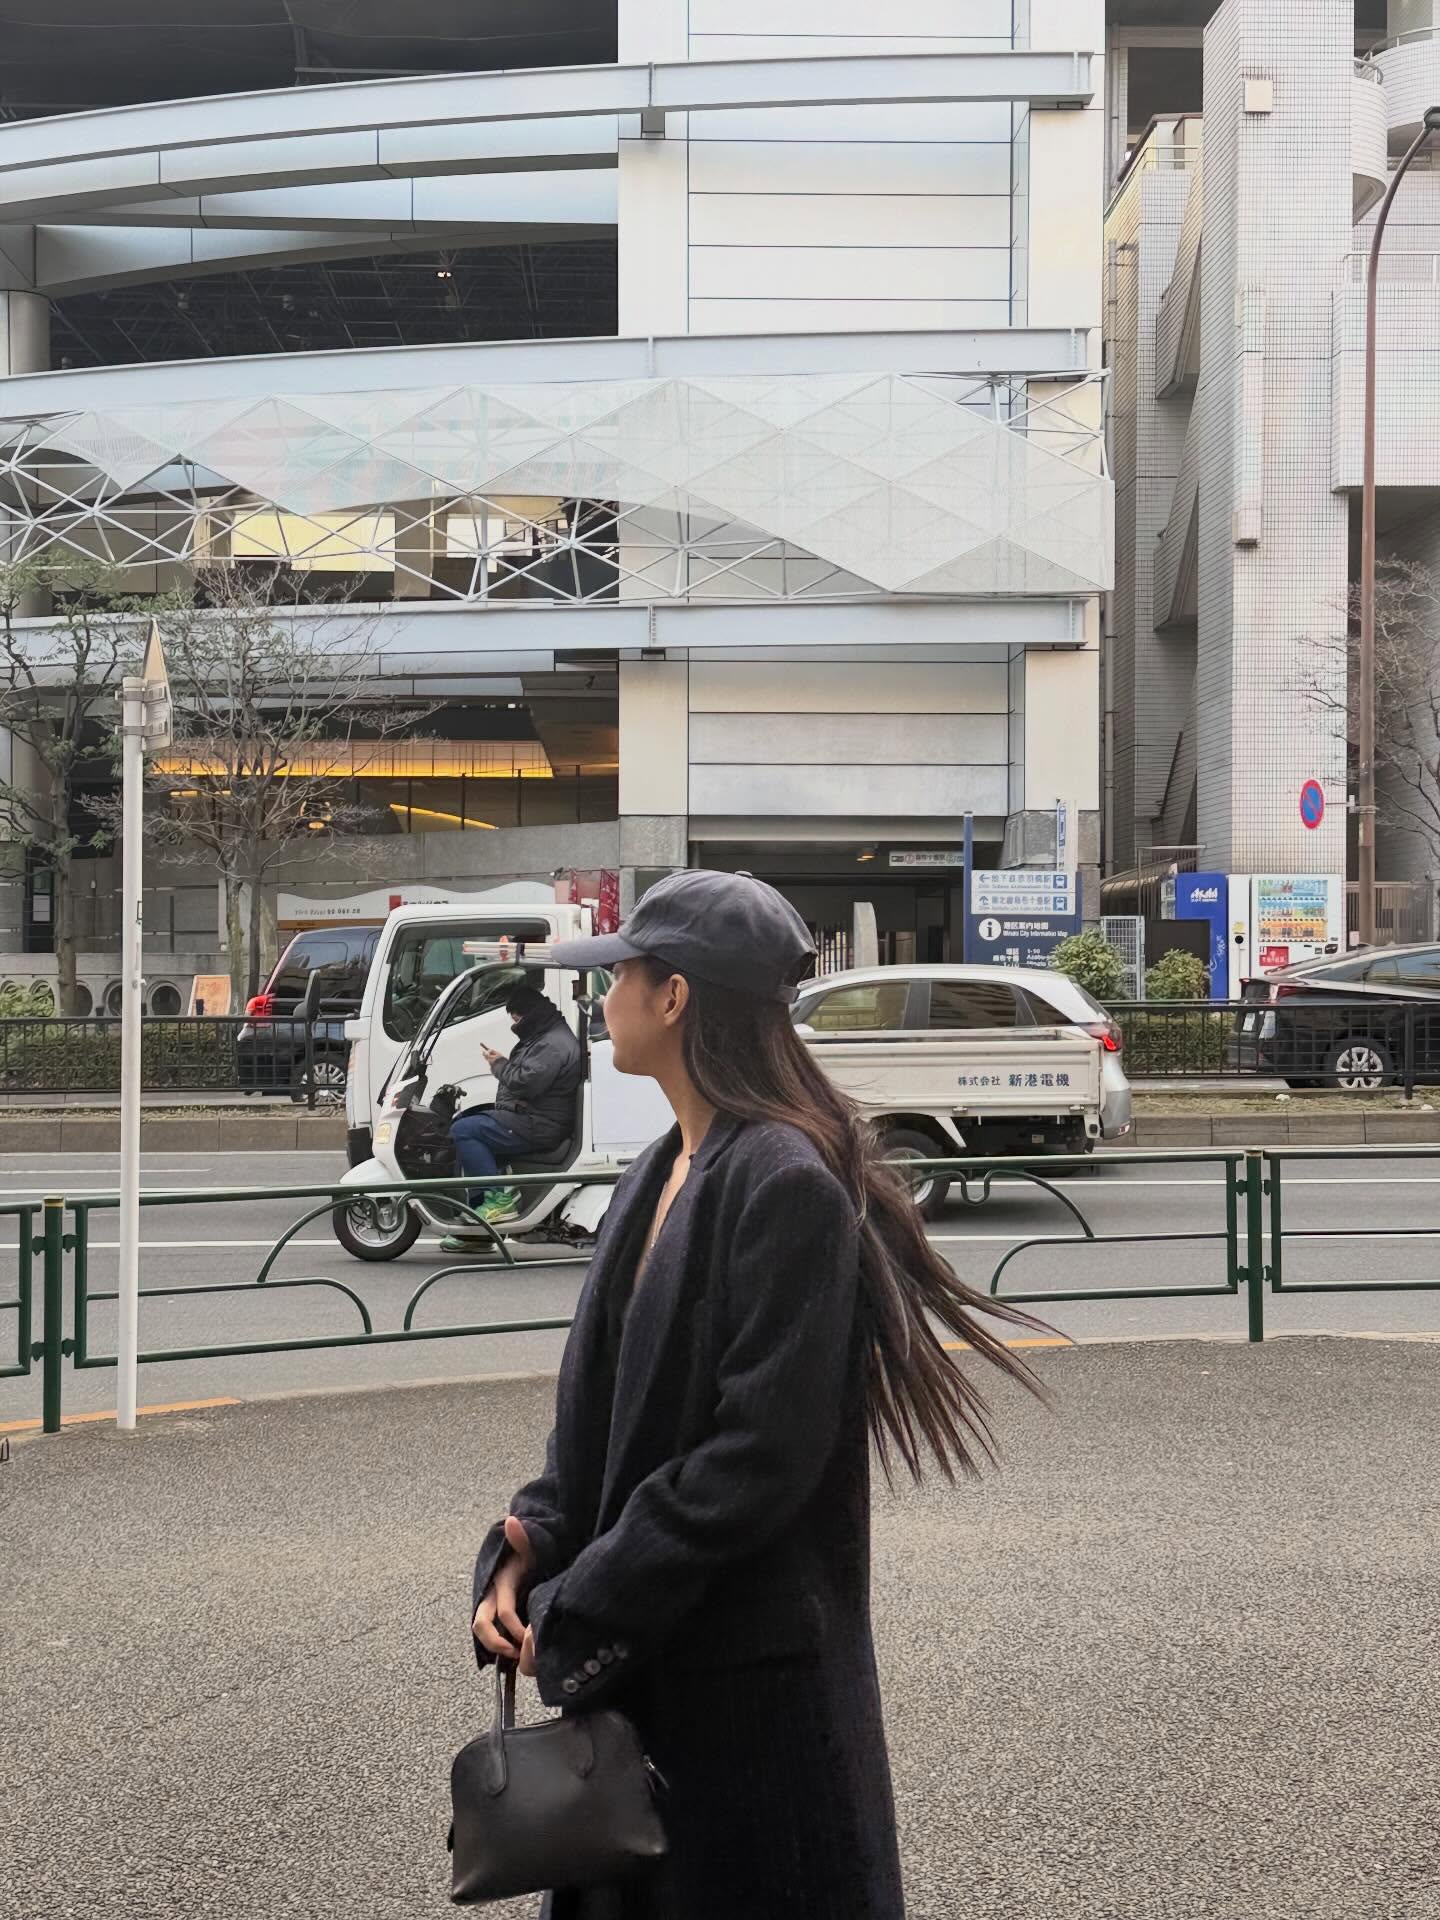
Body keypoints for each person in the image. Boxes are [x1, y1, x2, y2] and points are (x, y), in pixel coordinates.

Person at [468, 871, 1050, 1919]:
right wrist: (530, 1543)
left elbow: (755, 1462)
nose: (604, 995)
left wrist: (578, 1604)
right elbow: (600, 1420)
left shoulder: (782, 1180)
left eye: (621, 974)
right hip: (654, 1670)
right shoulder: (658, 1169)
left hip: (748, 1701)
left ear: (674, 997)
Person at [445, 982, 583, 1240]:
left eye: (516, 1019)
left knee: (464, 1130)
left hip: (539, 1124)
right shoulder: (547, 1035)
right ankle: (478, 1224)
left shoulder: (552, 1044)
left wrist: (498, 1065)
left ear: (529, 1015)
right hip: (533, 1117)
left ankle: (498, 1203)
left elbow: (526, 1083)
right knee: (465, 1121)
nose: (515, 1024)